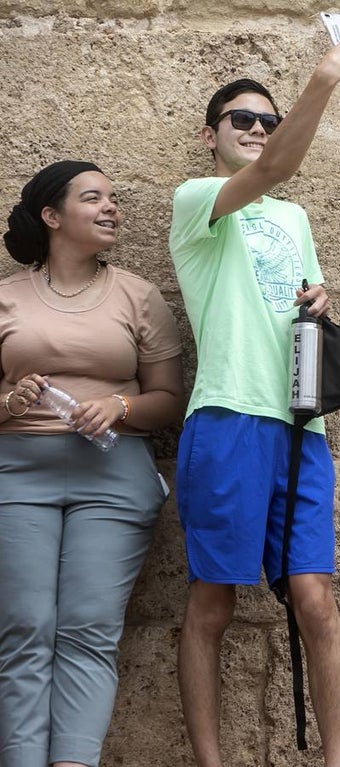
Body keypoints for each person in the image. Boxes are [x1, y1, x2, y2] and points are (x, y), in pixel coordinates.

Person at [169, 34, 340, 767]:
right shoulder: (196, 202)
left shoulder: (293, 218)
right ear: (210, 135)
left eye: (265, 118)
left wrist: (320, 297)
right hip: (228, 418)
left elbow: (299, 292)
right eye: (240, 119)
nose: (255, 130)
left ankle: (339, 760)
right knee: (212, 601)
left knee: (316, 597)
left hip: (299, 424)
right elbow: (280, 163)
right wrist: (325, 79)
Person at [0, 160, 184, 767]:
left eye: (114, 198)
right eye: (93, 198)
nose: (111, 208)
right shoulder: (6, 297)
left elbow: (168, 401)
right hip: (14, 476)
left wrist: (120, 403)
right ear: (52, 217)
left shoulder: (138, 295)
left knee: (87, 627)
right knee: (24, 628)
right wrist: (10, 400)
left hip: (113, 478)